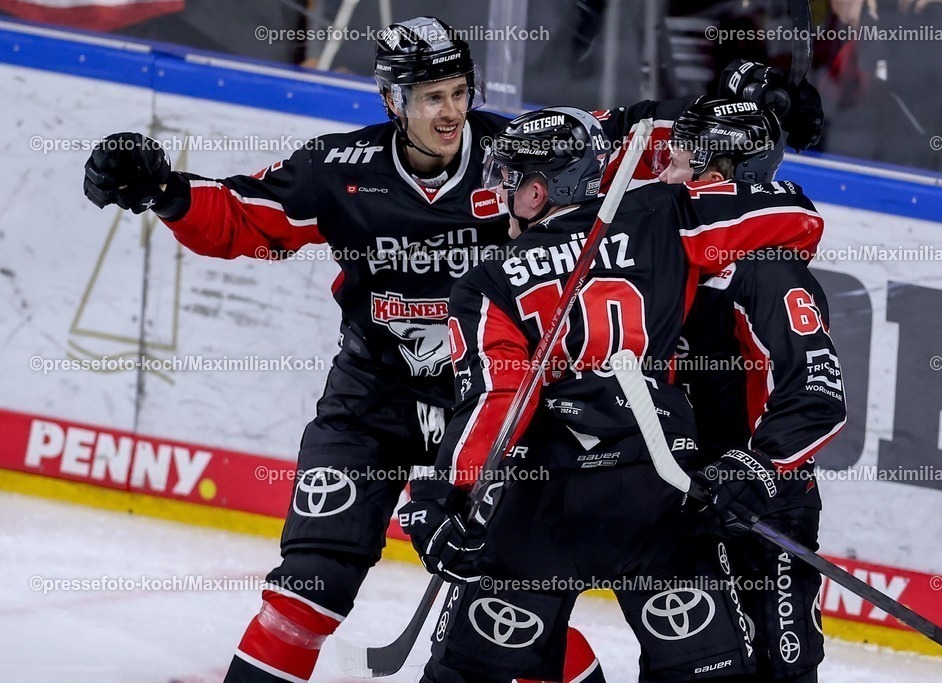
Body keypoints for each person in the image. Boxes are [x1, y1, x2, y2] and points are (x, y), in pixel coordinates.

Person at [83, 17, 792, 683]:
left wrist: (738, 107)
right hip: (376, 398)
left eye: (458, 93)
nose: (450, 111)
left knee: (515, 588)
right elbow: (246, 218)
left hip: (494, 408)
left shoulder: (517, 157)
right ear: (393, 99)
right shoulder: (340, 168)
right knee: (311, 582)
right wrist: (166, 192)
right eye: (430, 97)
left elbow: (634, 134)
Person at [399, 106, 827, 682]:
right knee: (709, 670)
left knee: (470, 671)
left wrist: (445, 494)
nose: (494, 195)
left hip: (545, 496)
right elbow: (795, 215)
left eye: (505, 179)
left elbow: (495, 403)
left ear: (535, 191)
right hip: (660, 486)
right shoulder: (659, 214)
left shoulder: (488, 280)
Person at [655, 97, 848, 682]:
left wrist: (753, 470)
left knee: (779, 669)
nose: (666, 169)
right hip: (686, 498)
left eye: (681, 156)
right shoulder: (670, 257)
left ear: (720, 168)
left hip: (765, 505)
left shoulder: (768, 269)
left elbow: (818, 396)